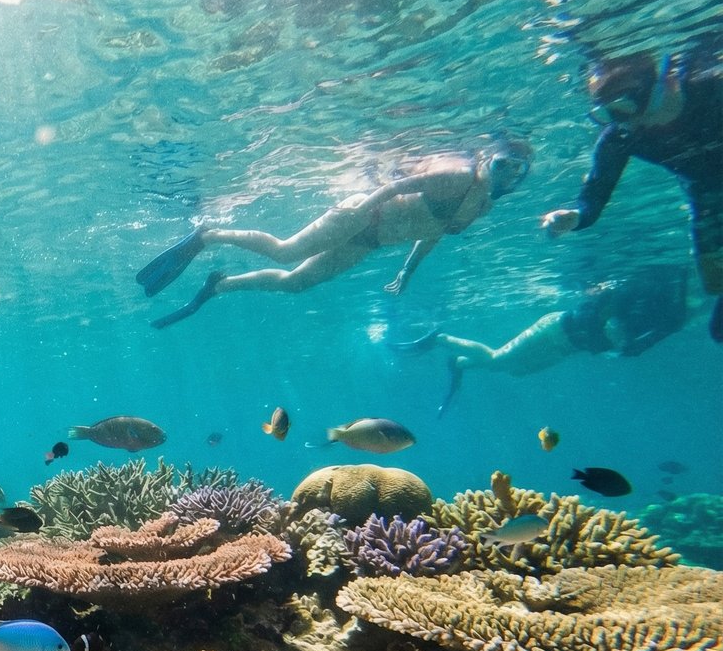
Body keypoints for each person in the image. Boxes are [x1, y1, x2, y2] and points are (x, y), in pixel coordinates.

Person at [137, 140, 533, 327]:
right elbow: (401, 186)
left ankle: (220, 286)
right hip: (364, 216)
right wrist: (364, 204)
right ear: (486, 159)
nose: (508, 174)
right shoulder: (458, 175)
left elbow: (433, 232)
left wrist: (408, 271)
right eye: (503, 164)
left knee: (295, 284)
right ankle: (209, 236)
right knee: (285, 252)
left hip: (369, 242)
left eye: (518, 170)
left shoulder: (481, 206)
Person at [540, 49, 723, 341]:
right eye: (606, 115)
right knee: (715, 284)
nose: (625, 122)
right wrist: (576, 217)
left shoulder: (711, 86)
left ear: (665, 84)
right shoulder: (622, 135)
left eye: (625, 107)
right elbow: (595, 195)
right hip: (705, 191)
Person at [397, 266, 689, 413]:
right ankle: (441, 338)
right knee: (498, 357)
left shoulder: (641, 316)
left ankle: (459, 362)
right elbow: (600, 306)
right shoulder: (620, 298)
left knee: (515, 370)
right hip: (554, 330)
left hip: (565, 347)